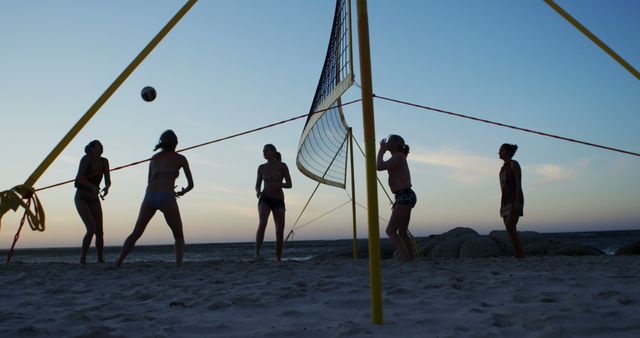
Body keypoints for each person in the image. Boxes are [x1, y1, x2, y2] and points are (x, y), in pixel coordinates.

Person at [115, 130, 194, 267]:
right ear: (176, 143)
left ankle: (118, 262)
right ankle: (178, 265)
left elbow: (149, 180)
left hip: (149, 196)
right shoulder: (181, 158)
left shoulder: (154, 158)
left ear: (161, 143)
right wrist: (183, 192)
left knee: (136, 233)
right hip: (167, 197)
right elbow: (191, 184)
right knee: (178, 235)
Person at [377, 135, 416, 262]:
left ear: (396, 144)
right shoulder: (398, 157)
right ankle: (410, 258)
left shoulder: (399, 157)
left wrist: (381, 151)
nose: (386, 143)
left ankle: (406, 259)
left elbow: (379, 166)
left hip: (404, 195)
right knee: (403, 231)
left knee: (390, 230)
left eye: (389, 141)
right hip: (403, 196)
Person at [75, 140, 111, 264]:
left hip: (94, 199)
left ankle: (100, 259)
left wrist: (107, 187)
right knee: (91, 229)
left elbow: (108, 180)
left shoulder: (104, 162)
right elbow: (79, 178)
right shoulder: (86, 159)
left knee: (99, 232)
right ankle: (82, 258)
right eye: (99, 146)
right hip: (81, 198)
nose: (102, 148)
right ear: (92, 149)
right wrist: (92, 186)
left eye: (102, 146)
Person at [255, 144, 292, 261]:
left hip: (278, 200)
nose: (264, 152)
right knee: (262, 223)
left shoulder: (282, 166)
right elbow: (257, 185)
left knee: (279, 230)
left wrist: (279, 184)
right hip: (265, 198)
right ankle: (257, 253)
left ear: (274, 152)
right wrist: (258, 191)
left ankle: (278, 257)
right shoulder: (261, 167)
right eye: (263, 151)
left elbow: (289, 184)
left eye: (267, 150)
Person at [498, 143, 525, 258]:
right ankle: (518, 254)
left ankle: (520, 254)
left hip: (515, 199)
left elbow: (519, 184)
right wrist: (501, 204)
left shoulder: (514, 164)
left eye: (501, 150)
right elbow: (503, 188)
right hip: (505, 201)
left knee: (510, 226)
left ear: (508, 152)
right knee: (510, 229)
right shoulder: (502, 169)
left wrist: (518, 201)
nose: (499, 152)